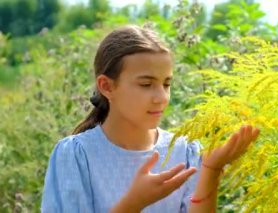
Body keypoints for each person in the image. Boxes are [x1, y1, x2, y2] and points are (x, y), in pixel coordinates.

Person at [41, 25, 260, 213]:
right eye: (146, 85)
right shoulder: (75, 155)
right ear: (107, 86)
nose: (162, 98)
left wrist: (211, 170)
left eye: (166, 84)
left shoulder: (185, 151)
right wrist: (133, 203)